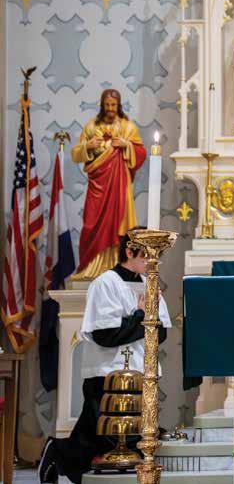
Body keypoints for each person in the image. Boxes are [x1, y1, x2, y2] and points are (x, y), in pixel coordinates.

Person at [38, 230, 172, 484]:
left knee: (116, 436)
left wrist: (142, 319)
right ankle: (59, 452)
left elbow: (161, 333)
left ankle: (59, 453)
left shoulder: (149, 284)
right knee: (102, 434)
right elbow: (106, 334)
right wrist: (140, 316)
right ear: (129, 252)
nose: (151, 262)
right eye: (146, 256)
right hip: (107, 372)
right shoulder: (105, 283)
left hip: (142, 371)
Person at [71, 89, 146, 280]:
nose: (110, 108)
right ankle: (90, 267)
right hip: (97, 186)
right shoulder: (91, 127)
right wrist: (87, 147)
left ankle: (118, 265)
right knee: (91, 224)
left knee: (118, 223)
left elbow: (141, 153)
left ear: (118, 105)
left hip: (119, 187)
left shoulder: (127, 127)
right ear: (102, 105)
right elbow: (75, 154)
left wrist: (126, 145)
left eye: (113, 105)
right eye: (107, 105)